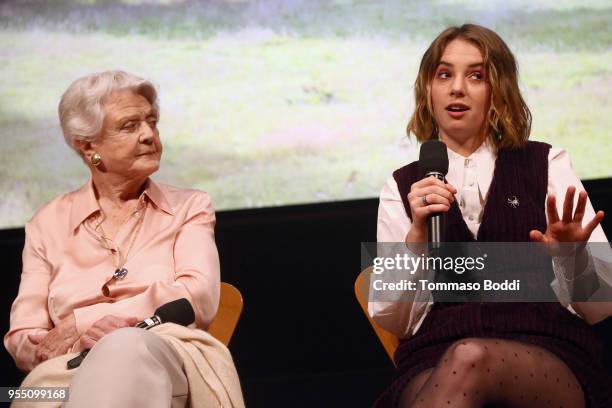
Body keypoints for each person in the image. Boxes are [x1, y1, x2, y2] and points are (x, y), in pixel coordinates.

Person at [369, 24, 612, 407]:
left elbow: (602, 308)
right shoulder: (402, 187)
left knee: (470, 356)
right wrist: (416, 240)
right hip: (433, 362)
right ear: (428, 91)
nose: (457, 88)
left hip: (547, 357)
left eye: (476, 76)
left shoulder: (546, 164)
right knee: (458, 362)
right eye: (444, 74)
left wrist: (571, 257)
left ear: (498, 91)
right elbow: (392, 321)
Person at [4, 71, 243, 407]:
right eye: (130, 126)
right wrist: (59, 343)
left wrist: (85, 320)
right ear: (89, 147)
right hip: (66, 375)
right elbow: (23, 336)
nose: (149, 135)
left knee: (123, 347)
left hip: (163, 355)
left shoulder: (190, 207)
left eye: (152, 121)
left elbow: (198, 296)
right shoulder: (46, 224)